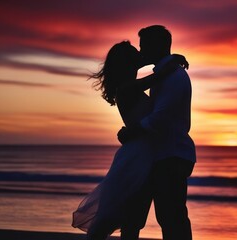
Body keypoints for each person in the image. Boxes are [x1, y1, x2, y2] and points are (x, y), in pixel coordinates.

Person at [71, 41, 189, 240]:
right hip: (137, 156)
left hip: (144, 153)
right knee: (130, 217)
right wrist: (173, 60)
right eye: (136, 54)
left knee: (133, 215)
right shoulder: (127, 88)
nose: (141, 55)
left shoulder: (128, 86)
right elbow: (158, 77)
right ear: (128, 62)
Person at [117, 25, 196, 240]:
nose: (141, 52)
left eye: (143, 46)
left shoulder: (173, 75)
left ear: (155, 46)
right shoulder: (164, 73)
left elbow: (162, 116)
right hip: (161, 154)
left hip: (171, 154)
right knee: (164, 216)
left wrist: (133, 131)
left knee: (171, 217)